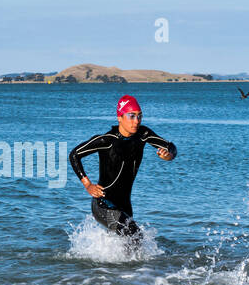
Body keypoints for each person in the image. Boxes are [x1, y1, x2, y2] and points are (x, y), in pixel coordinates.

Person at [69, 94, 177, 238]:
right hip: (103, 204)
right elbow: (74, 155)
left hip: (125, 205)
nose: (136, 121)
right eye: (131, 116)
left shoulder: (143, 134)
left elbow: (170, 147)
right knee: (136, 236)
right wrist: (88, 184)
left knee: (130, 245)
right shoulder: (107, 140)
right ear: (120, 117)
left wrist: (168, 155)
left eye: (139, 116)